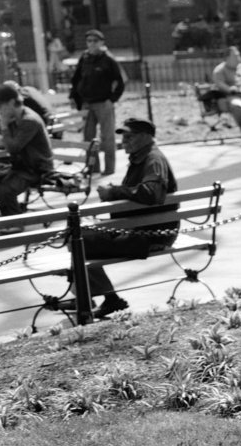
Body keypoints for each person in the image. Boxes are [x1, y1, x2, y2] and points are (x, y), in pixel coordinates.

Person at [44, 117, 179, 322]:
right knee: (80, 235)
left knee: (79, 241)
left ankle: (96, 298)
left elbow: (152, 192)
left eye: (129, 137)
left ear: (146, 137)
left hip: (149, 235)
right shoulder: (143, 158)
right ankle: (92, 297)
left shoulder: (153, 159)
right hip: (139, 230)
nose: (124, 141)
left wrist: (114, 192)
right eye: (123, 137)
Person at [0, 82, 55, 215]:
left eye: (1, 105)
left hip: (37, 168)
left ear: (11, 102)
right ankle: (2, 219)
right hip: (21, 166)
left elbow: (14, 148)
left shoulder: (29, 120)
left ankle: (15, 223)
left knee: (3, 191)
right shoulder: (13, 117)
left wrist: (4, 126)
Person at [68, 29, 126, 176]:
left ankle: (109, 168)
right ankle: (93, 167)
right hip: (87, 103)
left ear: (101, 42)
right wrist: (74, 98)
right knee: (88, 138)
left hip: (103, 103)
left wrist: (112, 99)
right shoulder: (85, 58)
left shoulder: (108, 60)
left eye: (95, 41)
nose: (92, 44)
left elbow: (120, 81)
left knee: (107, 137)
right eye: (89, 41)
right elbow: (76, 80)